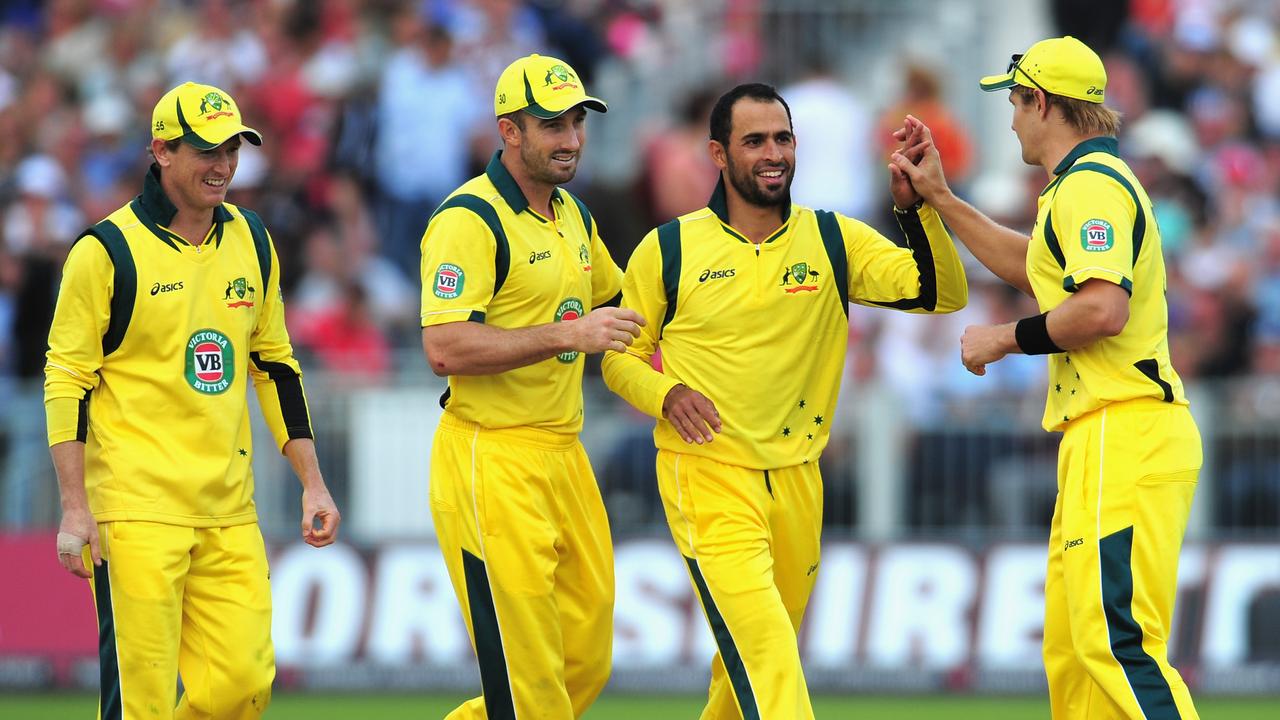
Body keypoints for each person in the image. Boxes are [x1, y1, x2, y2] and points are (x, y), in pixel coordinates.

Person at [601, 82, 968, 720]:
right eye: (754, 141)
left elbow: (939, 293)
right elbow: (617, 357)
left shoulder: (831, 239)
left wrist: (920, 211)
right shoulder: (669, 249)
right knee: (768, 655)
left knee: (746, 667)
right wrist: (666, 392)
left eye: (782, 138)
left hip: (799, 479)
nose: (773, 153)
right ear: (718, 154)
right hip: (708, 475)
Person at [889, 36, 1202, 720]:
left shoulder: (1089, 188)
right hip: (1111, 433)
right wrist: (940, 197)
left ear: (1042, 102)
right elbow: (1035, 265)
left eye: (1014, 101)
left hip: (1124, 429)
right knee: (1073, 651)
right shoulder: (1081, 187)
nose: (1009, 119)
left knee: (1111, 644)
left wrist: (1004, 337)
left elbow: (1101, 307)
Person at [45, 81, 341, 719]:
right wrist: (75, 510)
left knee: (243, 687)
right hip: (136, 509)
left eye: (233, 148)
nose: (224, 165)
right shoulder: (106, 251)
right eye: (207, 150)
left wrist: (312, 482)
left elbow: (276, 365)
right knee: (141, 703)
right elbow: (66, 378)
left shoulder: (252, 240)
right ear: (161, 151)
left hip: (228, 509)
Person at [419, 54, 642, 719]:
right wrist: (564, 335)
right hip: (492, 458)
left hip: (563, 454)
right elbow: (443, 346)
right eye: (552, 125)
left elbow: (625, 300)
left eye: (577, 121)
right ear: (509, 132)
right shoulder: (469, 219)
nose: (571, 138)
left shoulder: (572, 214)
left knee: (586, 661)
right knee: (532, 686)